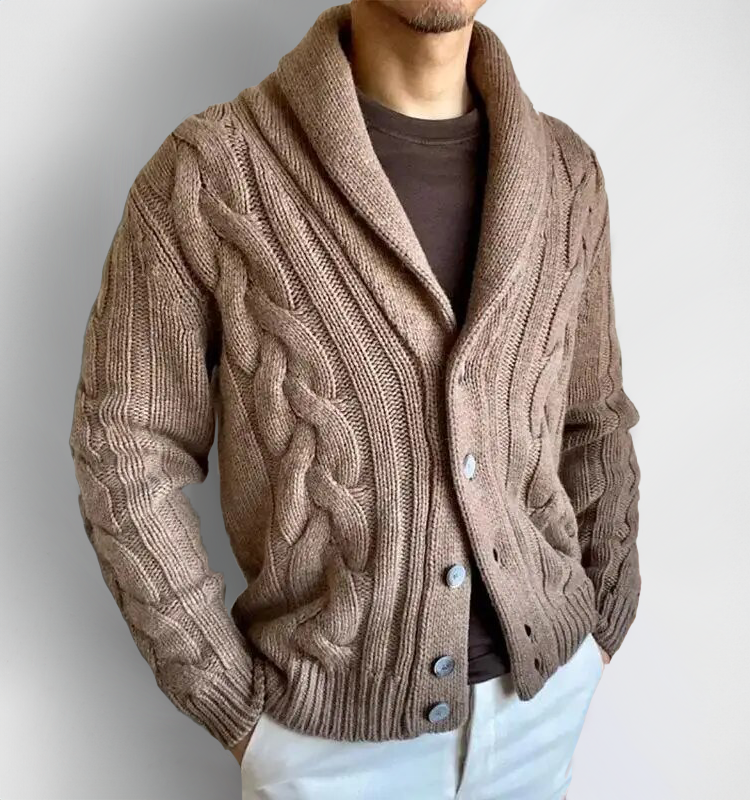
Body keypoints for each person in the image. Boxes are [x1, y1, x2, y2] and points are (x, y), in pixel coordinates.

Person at [68, 2, 642, 798]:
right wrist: (231, 703)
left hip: (540, 714)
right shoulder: (210, 173)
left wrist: (605, 615)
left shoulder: (568, 175)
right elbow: (125, 446)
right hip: (326, 751)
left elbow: (593, 417)